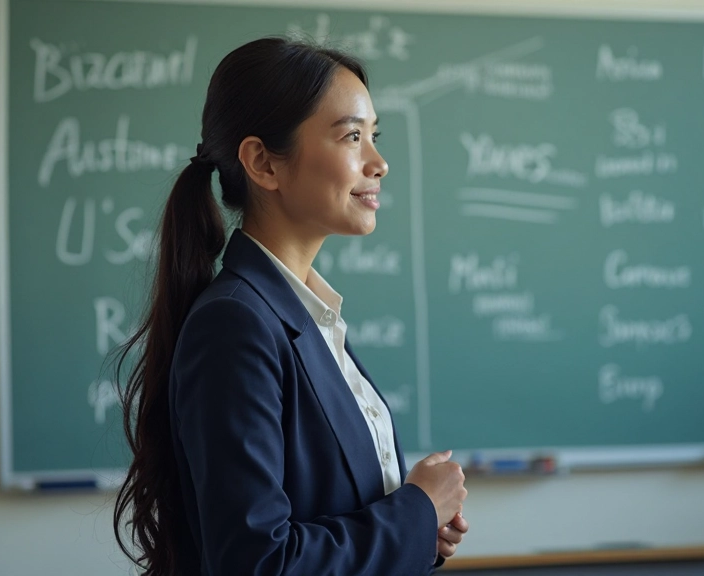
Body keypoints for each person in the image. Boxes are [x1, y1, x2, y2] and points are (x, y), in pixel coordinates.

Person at [112, 37, 469, 575]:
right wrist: (417, 512)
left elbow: (328, 511)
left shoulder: (308, 318)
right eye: (352, 136)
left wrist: (420, 531)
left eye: (374, 136)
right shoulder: (236, 323)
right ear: (262, 162)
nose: (380, 163)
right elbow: (259, 563)